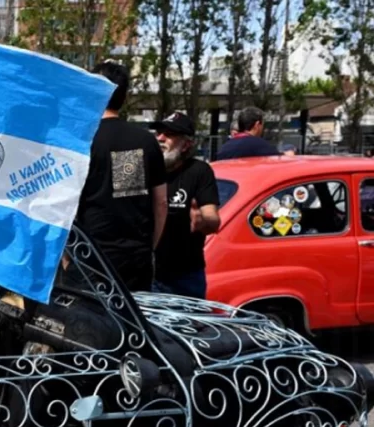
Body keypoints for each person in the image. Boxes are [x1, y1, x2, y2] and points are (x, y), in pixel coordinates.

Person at [73, 61, 168, 292]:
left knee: (87, 315)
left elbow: (65, 204)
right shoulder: (144, 140)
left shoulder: (80, 141)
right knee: (133, 314)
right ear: (124, 97)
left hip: (88, 255)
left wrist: (67, 258)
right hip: (135, 257)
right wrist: (150, 247)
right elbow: (161, 203)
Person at [150, 112, 222, 299]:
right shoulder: (142, 167)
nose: (160, 138)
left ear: (186, 145)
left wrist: (203, 220)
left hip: (185, 276)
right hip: (147, 271)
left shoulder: (199, 170)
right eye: (159, 133)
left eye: (169, 134)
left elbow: (213, 219)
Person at [213, 107, 280, 161]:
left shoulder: (224, 148)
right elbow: (277, 161)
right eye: (262, 125)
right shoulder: (261, 146)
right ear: (257, 125)